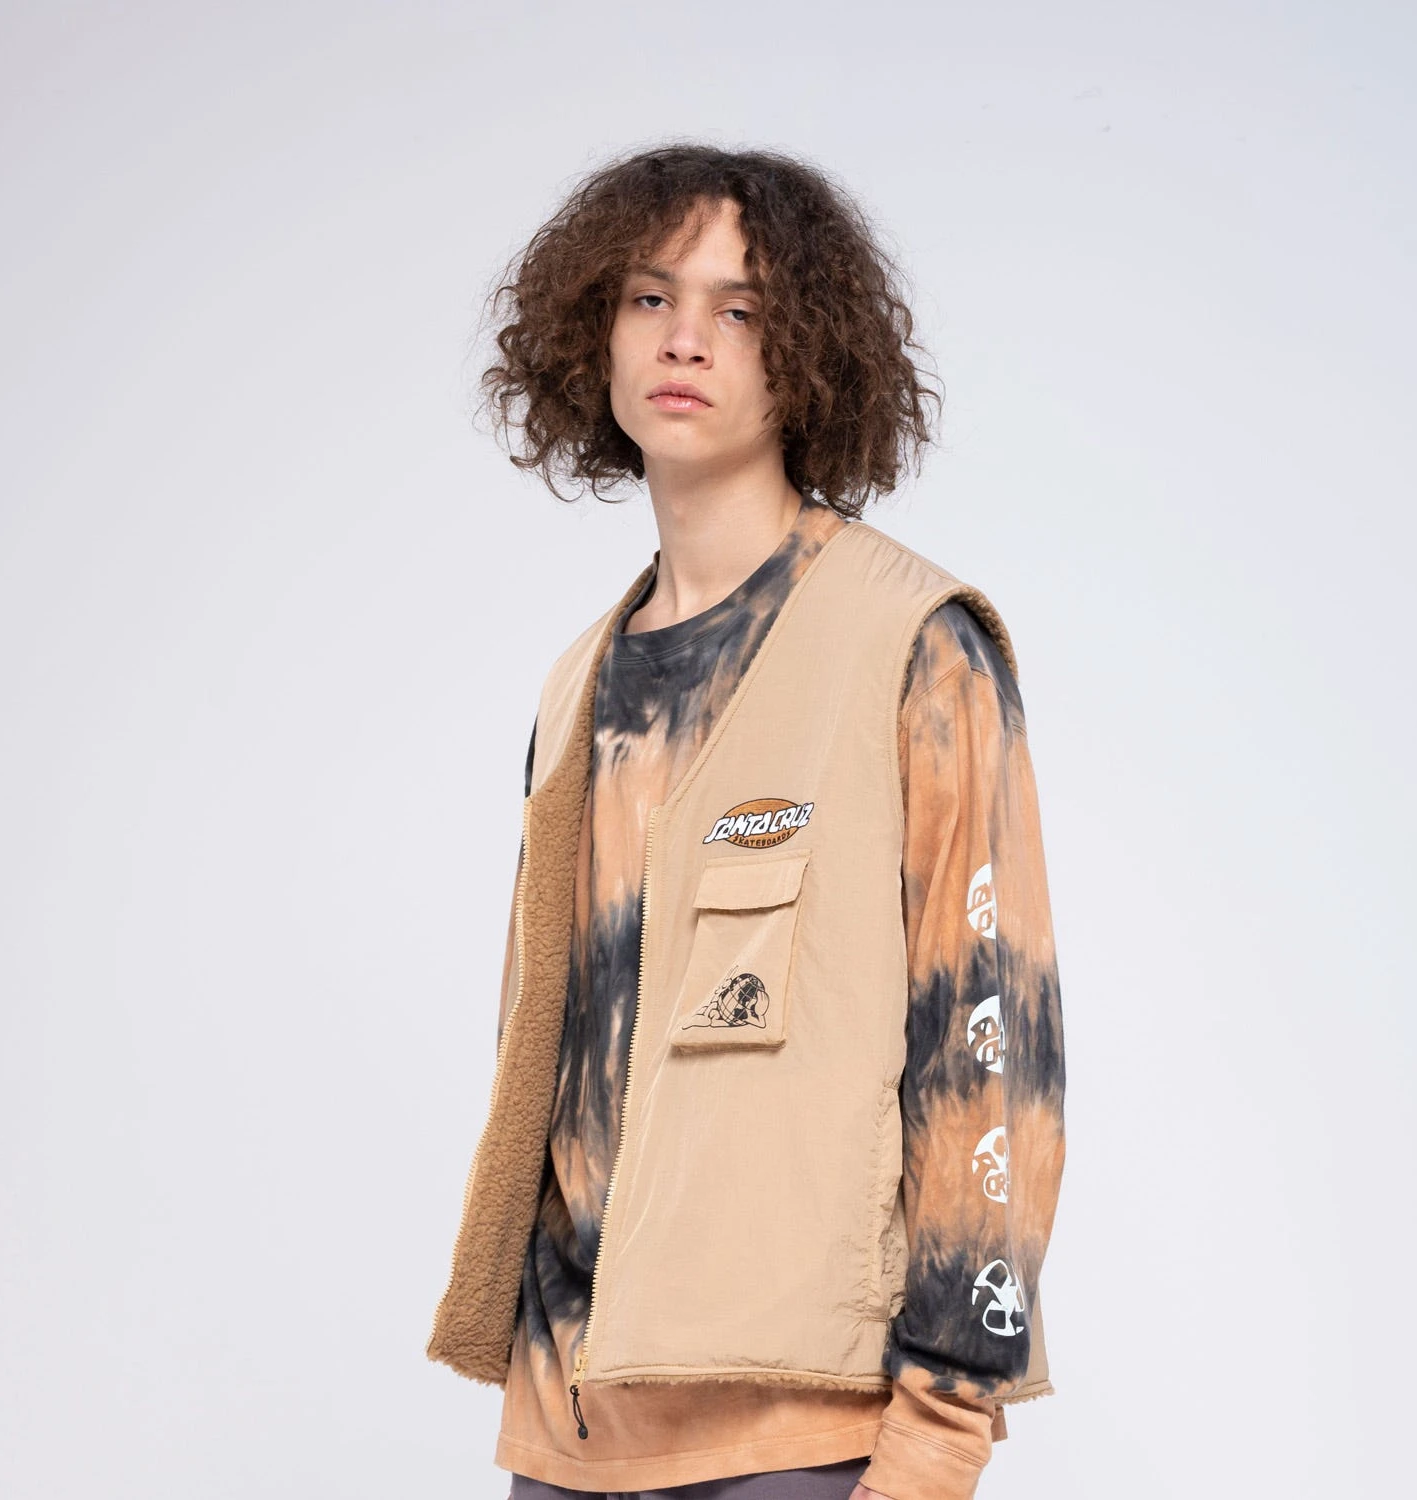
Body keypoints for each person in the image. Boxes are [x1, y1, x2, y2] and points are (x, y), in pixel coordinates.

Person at [426, 144, 1067, 1500]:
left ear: (809, 353)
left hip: (800, 1432)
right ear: (594, 333)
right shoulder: (579, 680)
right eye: (651, 298)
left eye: (742, 309)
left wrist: (939, 1438)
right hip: (571, 1422)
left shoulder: (913, 642)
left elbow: (992, 1049)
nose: (687, 340)